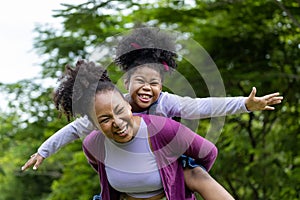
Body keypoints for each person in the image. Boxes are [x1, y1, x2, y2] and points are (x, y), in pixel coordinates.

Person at [21, 27, 282, 199]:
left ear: (162, 84)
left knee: (191, 170)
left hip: (168, 159)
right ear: (126, 82)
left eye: (154, 83)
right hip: (131, 166)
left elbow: (204, 106)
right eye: (140, 81)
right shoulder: (113, 105)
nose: (147, 88)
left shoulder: (168, 104)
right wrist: (44, 151)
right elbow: (75, 128)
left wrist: (245, 104)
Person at [54, 60, 218, 199]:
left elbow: (208, 153)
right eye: (105, 119)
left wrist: (179, 177)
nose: (117, 123)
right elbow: (101, 170)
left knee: (196, 174)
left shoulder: (163, 129)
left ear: (128, 104)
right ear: (93, 124)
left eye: (119, 111)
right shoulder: (93, 145)